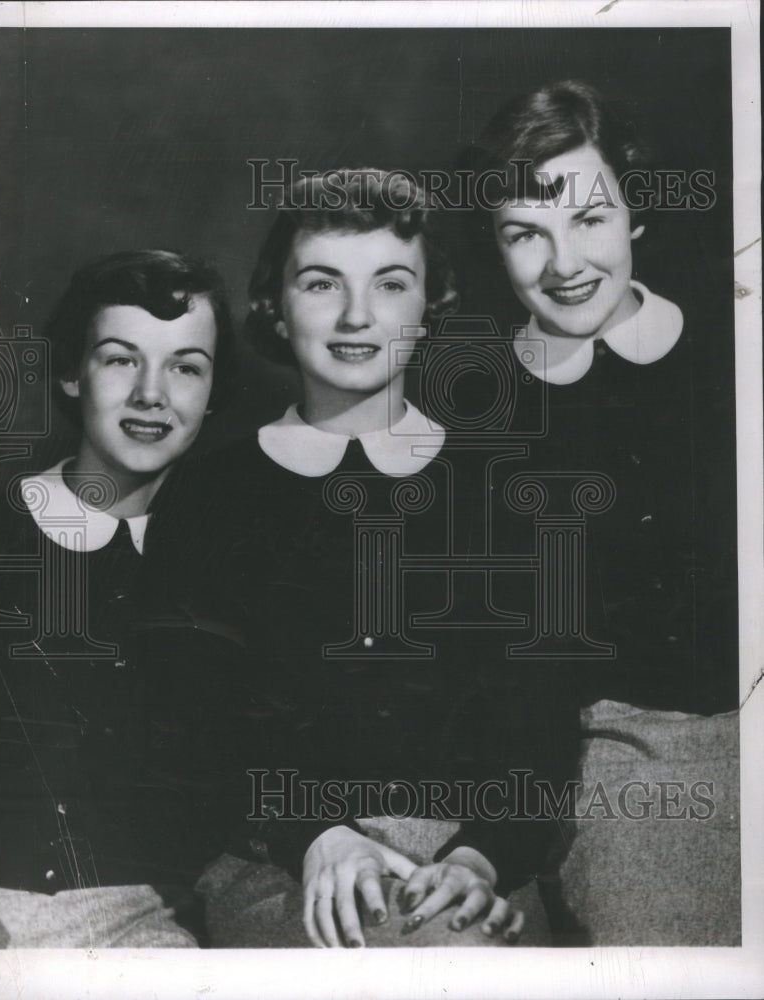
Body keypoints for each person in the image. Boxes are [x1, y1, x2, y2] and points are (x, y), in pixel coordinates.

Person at [147, 169, 581, 948]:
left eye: (389, 284)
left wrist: (479, 861)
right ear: (275, 308)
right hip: (280, 861)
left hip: (476, 867)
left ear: (431, 303)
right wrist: (318, 837)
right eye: (321, 284)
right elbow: (190, 726)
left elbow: (538, 725)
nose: (356, 315)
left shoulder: (506, 487)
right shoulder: (208, 493)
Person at [463, 80, 738, 715]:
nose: (565, 264)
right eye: (526, 234)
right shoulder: (471, 404)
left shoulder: (731, 355)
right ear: (495, 246)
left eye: (589, 219)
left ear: (635, 213)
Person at [0, 249, 237, 947]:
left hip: (142, 924)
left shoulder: (231, 554)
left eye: (186, 366)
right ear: (71, 372)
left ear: (213, 390)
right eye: (121, 359)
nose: (152, 394)